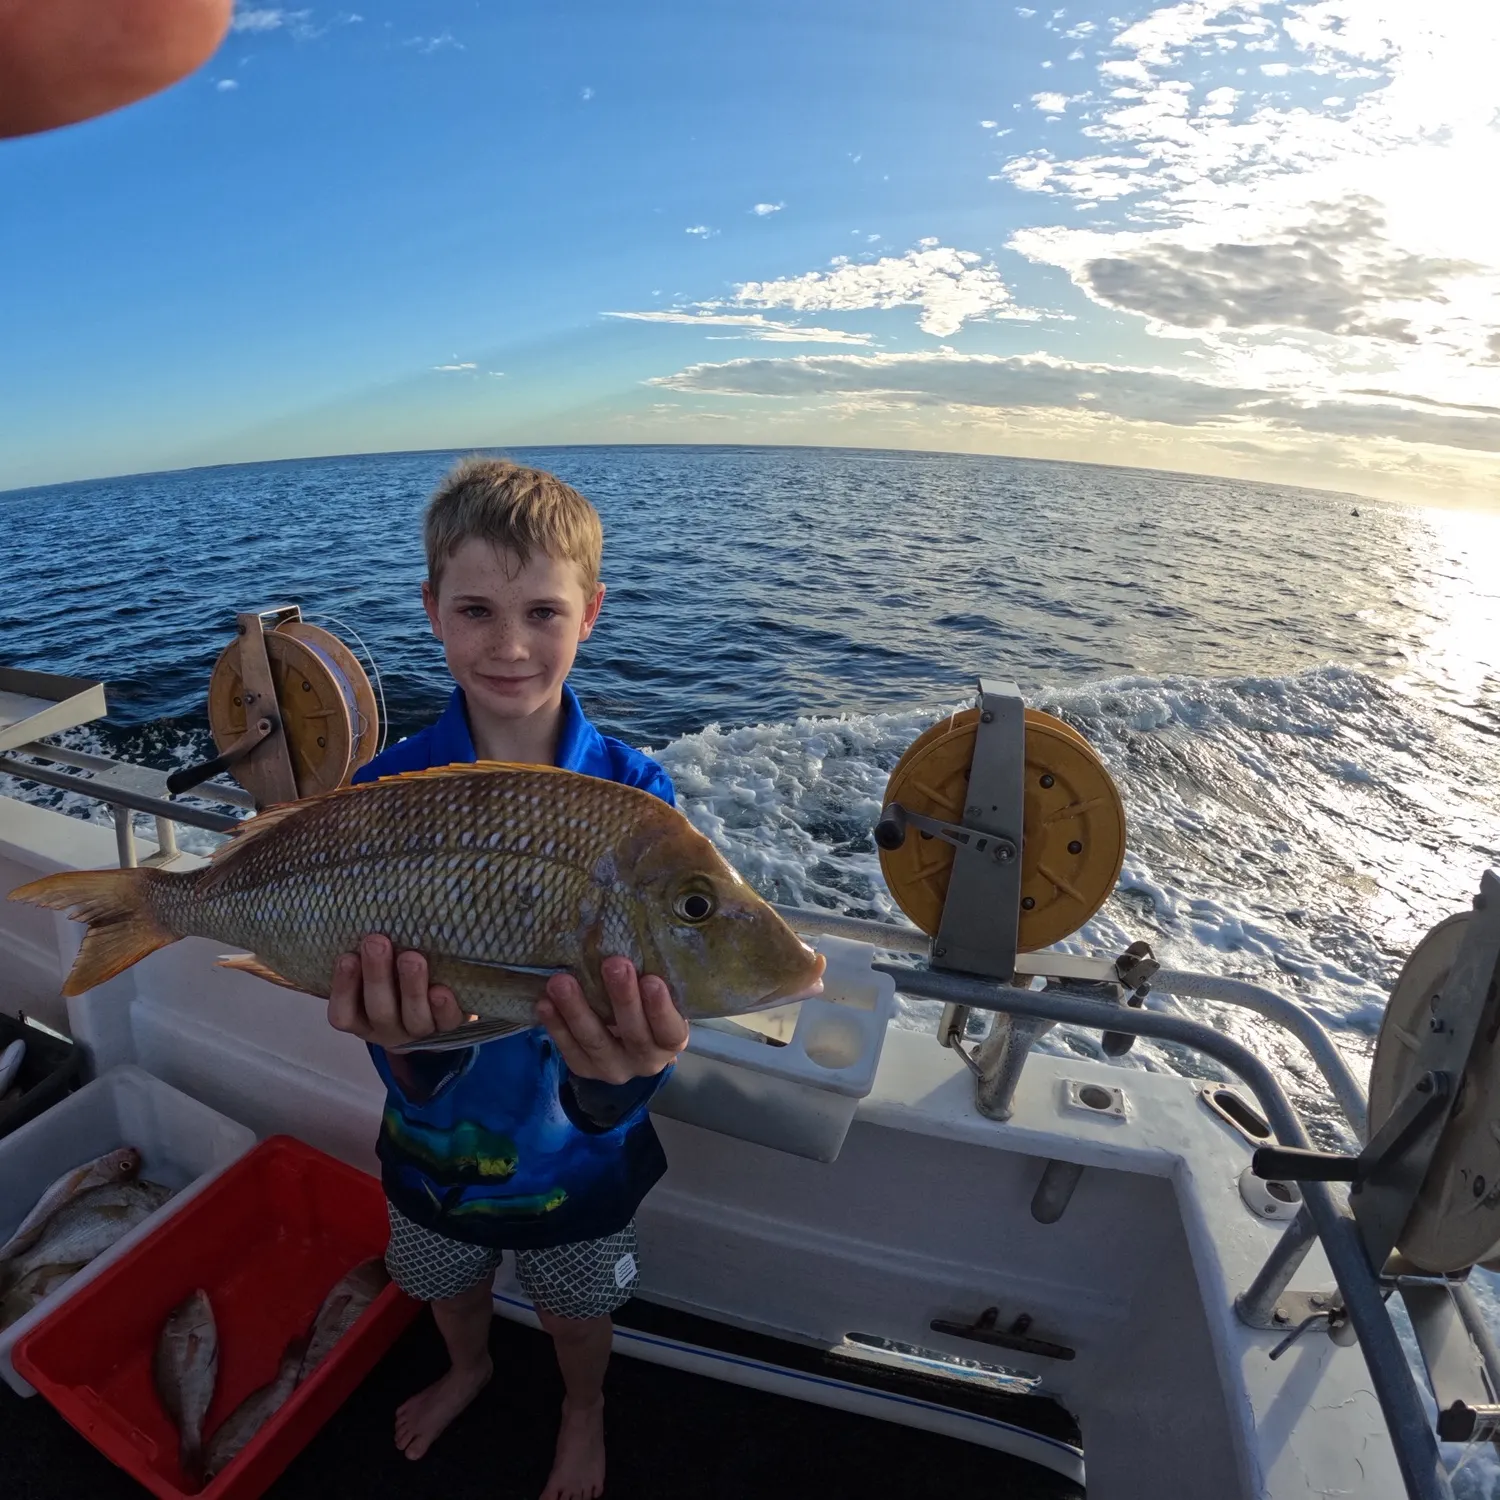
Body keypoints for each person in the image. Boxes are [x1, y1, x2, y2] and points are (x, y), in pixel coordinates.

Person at [325, 457, 689, 1500]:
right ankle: (471, 1368)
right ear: (432, 611)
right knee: (446, 1289)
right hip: (431, 1152)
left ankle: (583, 1408)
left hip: (582, 1167)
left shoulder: (638, 799)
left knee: (580, 1318)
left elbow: (657, 998)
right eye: (476, 609)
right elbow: (390, 1018)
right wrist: (404, 1047)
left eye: (542, 610)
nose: (511, 643)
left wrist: (621, 1078)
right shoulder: (382, 793)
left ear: (592, 614)